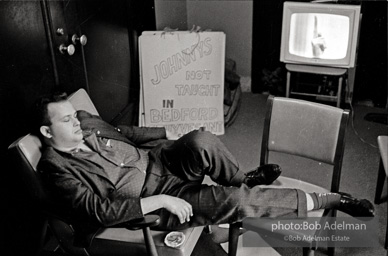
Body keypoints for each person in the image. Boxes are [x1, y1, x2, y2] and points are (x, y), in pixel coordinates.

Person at [34, 92, 374, 245]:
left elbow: (122, 132)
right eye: (66, 119)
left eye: (74, 115)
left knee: (200, 140)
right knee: (238, 203)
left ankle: (245, 179)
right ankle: (332, 200)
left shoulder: (84, 120)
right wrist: (159, 203)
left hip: (160, 160)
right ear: (48, 133)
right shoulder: (56, 168)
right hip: (158, 195)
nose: (76, 121)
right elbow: (100, 210)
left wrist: (168, 132)